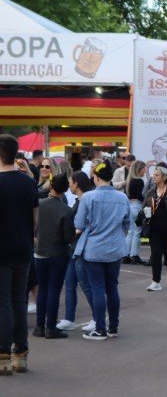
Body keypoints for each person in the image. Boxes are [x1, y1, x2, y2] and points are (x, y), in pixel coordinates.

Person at [73, 161, 129, 341]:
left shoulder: (89, 197)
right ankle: (113, 326)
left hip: (94, 248)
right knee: (112, 287)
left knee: (97, 287)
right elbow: (127, 224)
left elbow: (79, 224)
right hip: (115, 247)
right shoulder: (123, 198)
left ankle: (100, 328)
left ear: (96, 177)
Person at [0, 135, 39, 375]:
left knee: (2, 301)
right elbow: (35, 220)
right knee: (19, 301)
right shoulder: (28, 183)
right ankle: (20, 355)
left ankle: (3, 355)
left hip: (1, 250)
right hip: (23, 249)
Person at [32, 173, 74, 339]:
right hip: (58, 253)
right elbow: (69, 237)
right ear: (65, 189)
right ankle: (51, 327)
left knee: (42, 288)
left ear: (51, 186)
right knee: (54, 290)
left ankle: (39, 326)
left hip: (40, 251)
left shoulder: (40, 204)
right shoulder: (66, 210)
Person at [56, 171, 94, 332]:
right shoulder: (81, 200)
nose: (69, 185)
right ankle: (69, 318)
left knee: (85, 284)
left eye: (71, 182)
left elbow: (83, 224)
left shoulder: (85, 200)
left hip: (81, 248)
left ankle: (97, 317)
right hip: (74, 248)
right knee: (70, 283)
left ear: (76, 184)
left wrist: (72, 233)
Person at [143, 166, 167, 292]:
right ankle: (156, 281)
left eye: (157, 175)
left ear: (164, 178)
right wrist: (142, 216)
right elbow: (144, 207)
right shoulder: (150, 192)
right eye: (154, 174)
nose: (153, 176)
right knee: (156, 255)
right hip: (154, 228)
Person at [123, 161, 146, 265]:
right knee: (137, 231)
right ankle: (134, 254)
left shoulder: (129, 181)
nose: (145, 171)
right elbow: (140, 196)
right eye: (143, 169)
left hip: (130, 205)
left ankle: (126, 254)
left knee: (130, 231)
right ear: (139, 170)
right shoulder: (139, 181)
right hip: (137, 205)